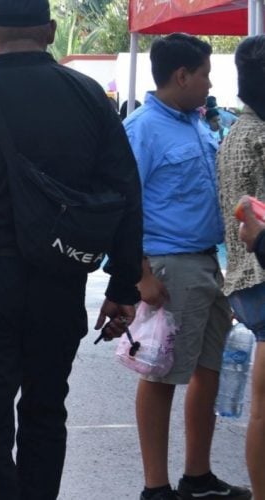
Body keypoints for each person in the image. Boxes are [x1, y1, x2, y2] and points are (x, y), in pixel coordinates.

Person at [0, 1, 143, 498]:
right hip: (58, 280)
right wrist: (124, 285)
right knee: (46, 410)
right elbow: (125, 193)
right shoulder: (87, 97)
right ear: (52, 31)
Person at [124, 33, 250, 500]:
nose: (209, 84)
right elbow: (123, 207)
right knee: (160, 375)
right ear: (181, 76)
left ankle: (197, 476)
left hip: (205, 264)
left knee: (208, 368)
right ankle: (155, 486)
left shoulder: (195, 123)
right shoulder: (142, 129)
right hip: (169, 267)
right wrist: (140, 275)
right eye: (204, 74)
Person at [218, 34, 265, 500]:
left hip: (244, 278)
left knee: (262, 409)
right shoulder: (261, 137)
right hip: (262, 273)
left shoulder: (235, 133)